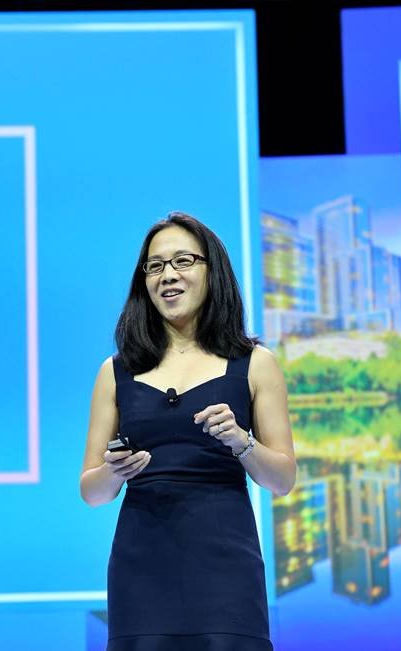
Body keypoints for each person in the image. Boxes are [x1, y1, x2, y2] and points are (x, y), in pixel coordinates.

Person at [80, 211, 296, 650]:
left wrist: (242, 442)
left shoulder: (254, 363)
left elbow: (283, 480)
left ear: (211, 271)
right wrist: (116, 470)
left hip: (226, 569)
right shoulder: (115, 372)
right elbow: (92, 491)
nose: (168, 275)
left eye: (183, 261)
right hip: (141, 568)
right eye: (155, 266)